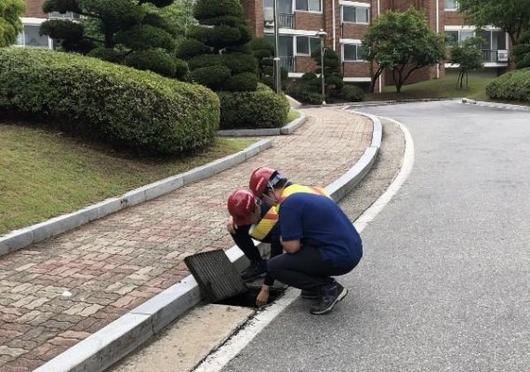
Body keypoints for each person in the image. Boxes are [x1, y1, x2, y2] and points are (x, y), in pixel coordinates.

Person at [250, 168, 363, 315]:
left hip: (340, 256)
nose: (266, 203)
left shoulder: (288, 204)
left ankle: (328, 288)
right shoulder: (304, 190)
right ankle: (315, 286)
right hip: (352, 249)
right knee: (299, 250)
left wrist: (282, 239)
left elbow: (291, 247)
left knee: (274, 266)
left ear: (269, 191)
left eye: (262, 198)